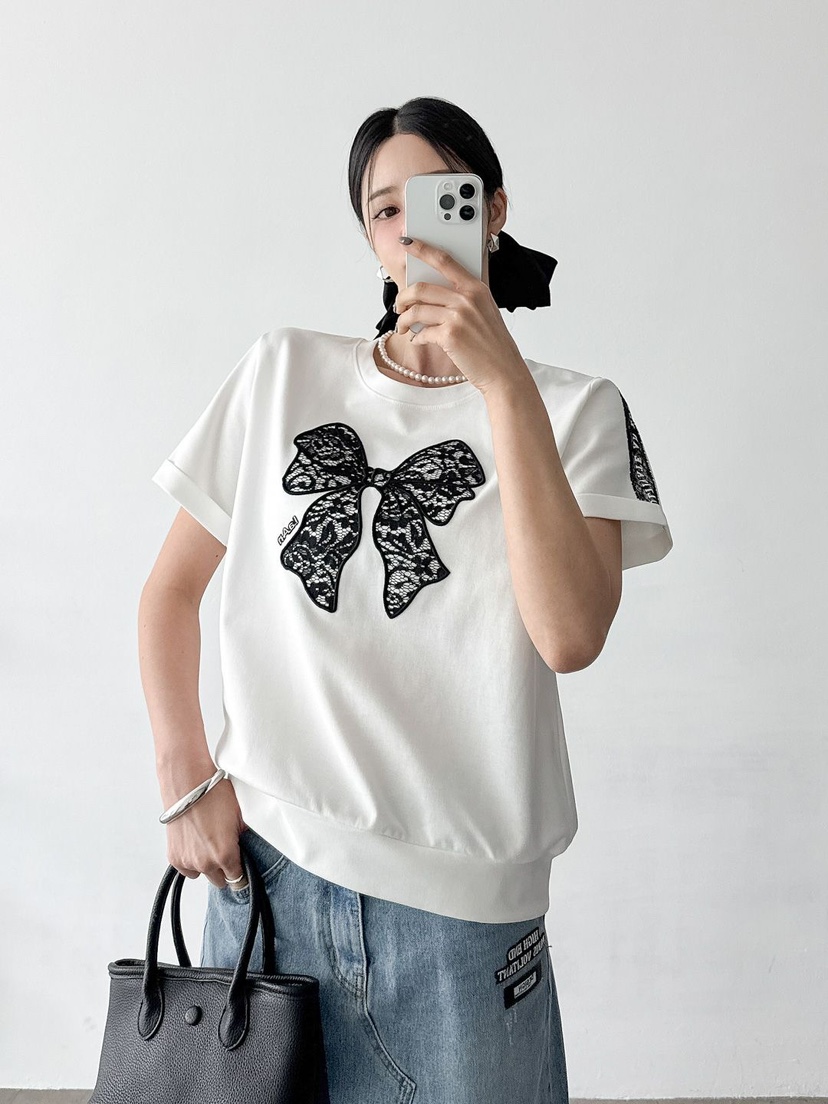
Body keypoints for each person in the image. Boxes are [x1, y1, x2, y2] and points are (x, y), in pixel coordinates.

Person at [138, 96, 673, 1103]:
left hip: (466, 932)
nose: (411, 229)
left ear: (492, 209)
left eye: (440, 199)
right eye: (386, 209)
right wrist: (185, 783)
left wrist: (501, 384)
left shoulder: (577, 410)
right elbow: (168, 594)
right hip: (269, 884)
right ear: (369, 237)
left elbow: (570, 636)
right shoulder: (282, 370)